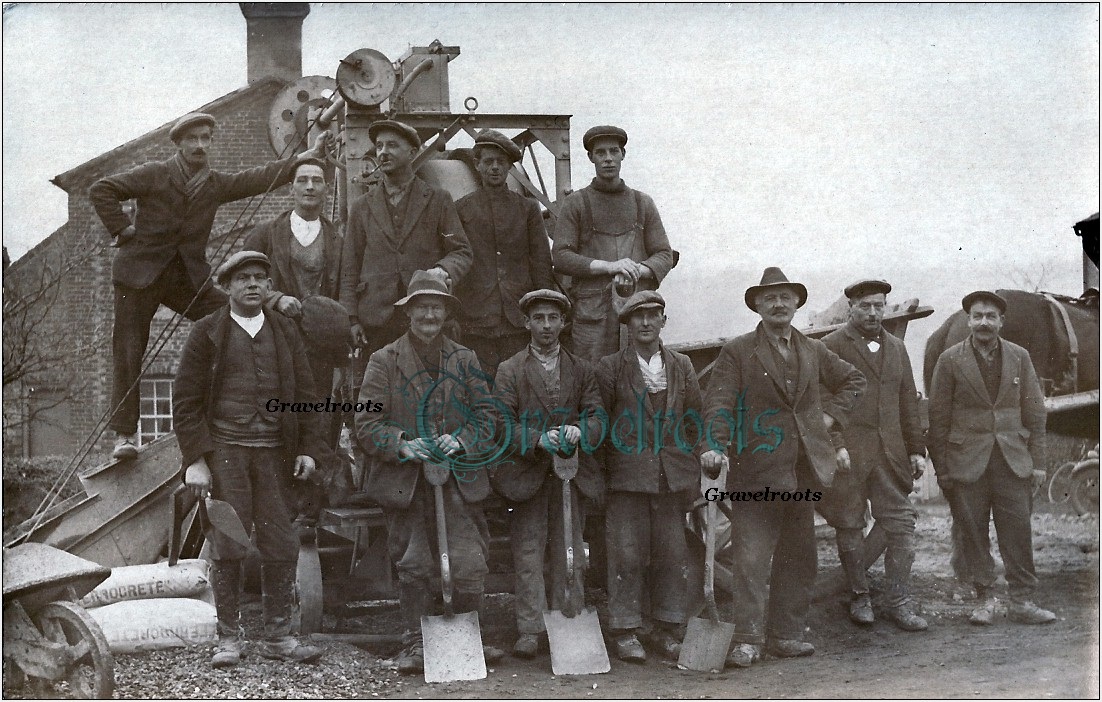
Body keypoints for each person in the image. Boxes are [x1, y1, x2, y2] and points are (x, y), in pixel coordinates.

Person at [90, 112, 329, 459]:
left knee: (230, 314)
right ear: (179, 143)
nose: (200, 145)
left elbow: (257, 178)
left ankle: (227, 410)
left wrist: (304, 158)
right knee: (128, 351)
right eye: (193, 139)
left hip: (185, 278)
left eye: (206, 138)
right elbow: (103, 189)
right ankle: (124, 436)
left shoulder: (213, 184)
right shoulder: (155, 174)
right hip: (137, 276)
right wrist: (123, 230)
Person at [701, 267, 865, 668]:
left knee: (799, 556)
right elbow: (719, 403)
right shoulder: (738, 352)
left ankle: (787, 636)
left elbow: (854, 380)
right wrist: (714, 447)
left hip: (803, 471)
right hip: (756, 470)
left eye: (785, 297)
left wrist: (829, 419)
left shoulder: (812, 349)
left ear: (796, 304)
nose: (778, 304)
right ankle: (747, 639)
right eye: (770, 298)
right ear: (757, 305)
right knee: (751, 560)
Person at [172, 251, 326, 668]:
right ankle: (228, 637)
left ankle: (278, 635)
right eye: (244, 278)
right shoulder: (207, 332)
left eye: (260, 277)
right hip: (226, 455)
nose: (253, 284)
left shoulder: (285, 331)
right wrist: (196, 461)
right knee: (228, 543)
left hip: (276, 455)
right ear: (227, 286)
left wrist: (308, 449)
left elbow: (308, 396)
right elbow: (185, 402)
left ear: (269, 285)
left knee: (280, 540)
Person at [354, 270, 502, 674]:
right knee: (415, 564)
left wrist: (464, 440)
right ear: (408, 313)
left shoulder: (465, 359)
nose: (429, 314)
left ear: (446, 312)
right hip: (407, 481)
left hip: (459, 478)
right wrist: (402, 443)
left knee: (469, 561)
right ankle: (417, 642)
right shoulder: (383, 361)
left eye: (436, 306)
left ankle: (470, 639)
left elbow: (489, 417)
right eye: (421, 307)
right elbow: (365, 423)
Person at [928, 290, 1054, 626]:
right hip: (966, 463)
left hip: (1013, 461)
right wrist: (942, 470)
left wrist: (1038, 463)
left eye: (991, 316)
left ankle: (1023, 601)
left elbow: (1035, 414)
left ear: (1001, 321)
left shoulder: (1019, 357)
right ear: (968, 320)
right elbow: (937, 420)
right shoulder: (950, 360)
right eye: (978, 316)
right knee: (973, 532)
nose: (984, 322)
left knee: (1018, 531)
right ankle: (984, 599)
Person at [491, 289, 604, 658]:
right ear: (526, 323)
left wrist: (580, 432)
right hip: (528, 474)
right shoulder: (509, 370)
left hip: (571, 474)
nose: (545, 326)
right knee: (528, 551)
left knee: (570, 550)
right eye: (538, 318)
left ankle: (566, 617)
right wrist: (538, 439)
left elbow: (597, 416)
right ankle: (529, 629)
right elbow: (501, 426)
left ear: (564, 323)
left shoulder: (583, 368)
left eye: (553, 318)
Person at [595, 290, 702, 663]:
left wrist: (700, 456)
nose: (645, 322)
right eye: (637, 317)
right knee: (626, 554)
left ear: (662, 321)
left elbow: (695, 419)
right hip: (626, 477)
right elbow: (599, 422)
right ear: (626, 325)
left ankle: (667, 628)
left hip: (670, 477)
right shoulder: (609, 367)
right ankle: (625, 630)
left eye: (653, 315)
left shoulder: (681, 365)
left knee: (672, 553)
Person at [817, 279, 928, 631]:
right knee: (850, 527)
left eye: (879, 305)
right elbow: (821, 403)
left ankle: (898, 601)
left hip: (890, 458)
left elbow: (908, 402)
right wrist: (836, 445)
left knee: (902, 528)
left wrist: (915, 450)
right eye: (864, 306)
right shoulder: (831, 345)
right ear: (850, 308)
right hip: (850, 458)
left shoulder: (896, 347)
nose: (872, 312)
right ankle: (859, 596)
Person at [339, 120, 473, 360]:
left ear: (413, 153)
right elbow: (350, 267)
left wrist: (442, 270)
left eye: (392, 145)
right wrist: (352, 318)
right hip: (376, 320)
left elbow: (461, 252)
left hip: (425, 317)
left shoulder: (438, 200)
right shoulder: (362, 207)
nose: (383, 152)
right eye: (379, 146)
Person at [244, 157, 348, 446]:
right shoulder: (266, 233)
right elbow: (238, 281)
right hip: (274, 338)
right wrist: (275, 299)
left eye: (316, 181)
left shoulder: (337, 239)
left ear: (326, 189)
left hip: (320, 346)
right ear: (291, 188)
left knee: (317, 416)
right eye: (303, 180)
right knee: (276, 412)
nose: (310, 187)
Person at [552, 125, 675, 362]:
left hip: (639, 311)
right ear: (591, 158)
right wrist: (609, 267)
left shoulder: (643, 203)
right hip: (592, 319)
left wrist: (635, 269)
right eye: (600, 153)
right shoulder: (576, 203)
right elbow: (561, 256)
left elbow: (663, 254)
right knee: (592, 380)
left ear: (623, 154)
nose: (608, 159)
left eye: (614, 151)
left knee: (642, 375)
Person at [453, 130, 554, 379]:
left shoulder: (528, 209)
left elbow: (541, 261)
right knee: (479, 386)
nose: (495, 168)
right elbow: (456, 258)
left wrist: (540, 310)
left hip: (517, 317)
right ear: (476, 164)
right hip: (476, 317)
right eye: (488, 162)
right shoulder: (461, 208)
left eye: (501, 162)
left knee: (518, 382)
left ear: (510, 165)